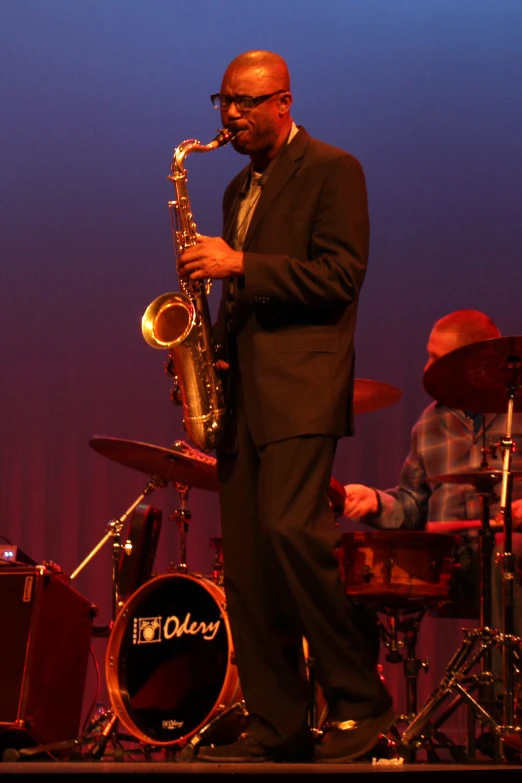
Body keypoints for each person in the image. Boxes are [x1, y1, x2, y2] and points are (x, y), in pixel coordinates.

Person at [177, 50, 393, 763]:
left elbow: (340, 273)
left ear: (284, 102)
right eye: (224, 101)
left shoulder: (335, 170)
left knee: (293, 536)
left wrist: (238, 263)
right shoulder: (238, 187)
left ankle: (361, 702)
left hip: (302, 389)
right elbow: (248, 299)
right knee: (248, 563)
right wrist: (211, 354)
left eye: (246, 101)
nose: (231, 115)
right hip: (244, 396)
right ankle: (279, 724)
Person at [343, 309, 522, 692]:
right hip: (450, 563)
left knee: (505, 555)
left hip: (510, 557)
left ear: (473, 358)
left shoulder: (517, 408)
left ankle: (504, 704)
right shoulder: (430, 422)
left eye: (436, 358)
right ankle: (360, 708)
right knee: (350, 574)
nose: (426, 367)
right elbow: (413, 505)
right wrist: (375, 502)